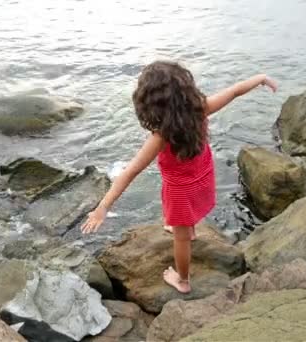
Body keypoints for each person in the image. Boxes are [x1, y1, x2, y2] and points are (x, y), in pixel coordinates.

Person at [81, 61, 278, 293]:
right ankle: (189, 230)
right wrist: (260, 78)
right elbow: (234, 91)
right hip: (202, 176)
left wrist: (103, 207)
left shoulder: (161, 136)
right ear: (186, 90)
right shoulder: (201, 108)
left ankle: (182, 280)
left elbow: (131, 170)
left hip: (180, 191)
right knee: (185, 222)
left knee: (180, 238)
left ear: (150, 104)